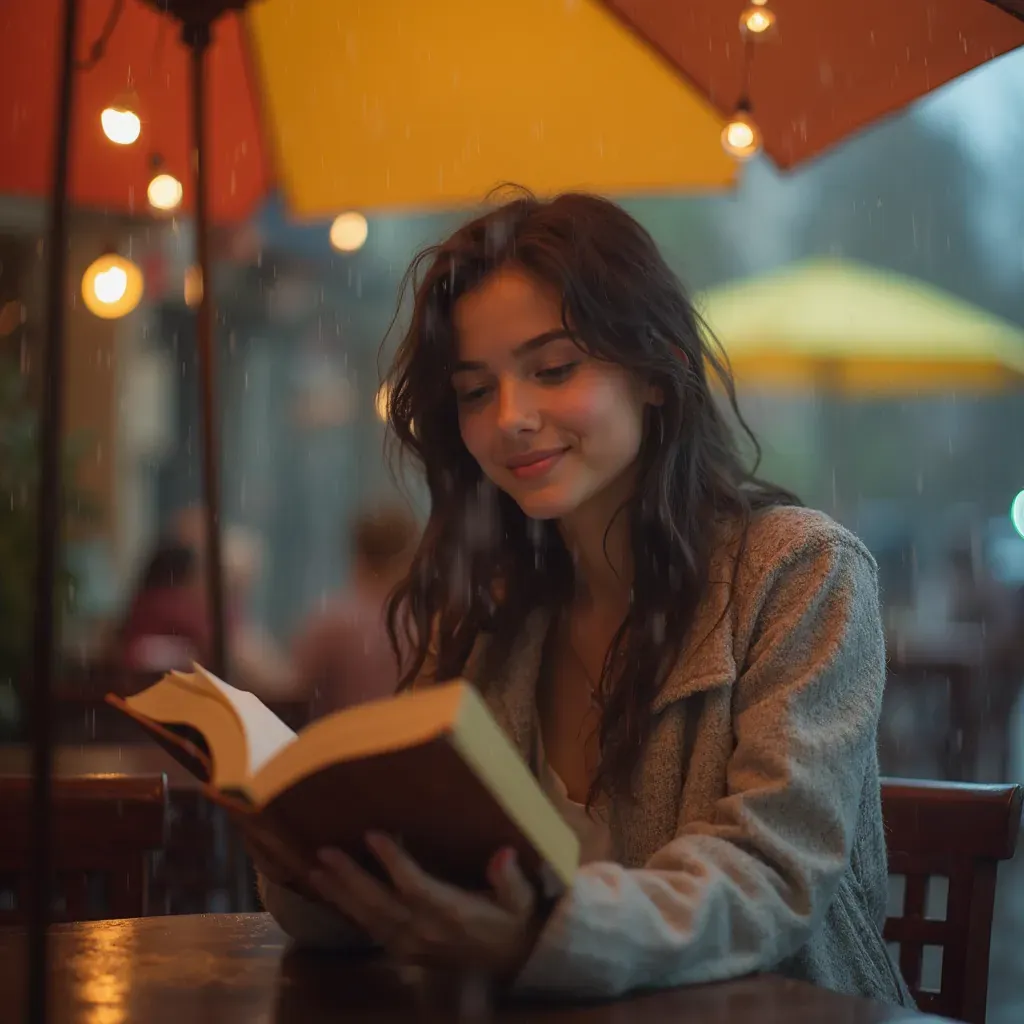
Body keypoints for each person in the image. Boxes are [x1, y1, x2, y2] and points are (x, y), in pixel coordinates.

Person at [254, 191, 913, 1006]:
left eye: (553, 369)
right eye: (472, 391)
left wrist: (547, 936)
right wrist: (307, 856)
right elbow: (417, 870)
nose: (511, 418)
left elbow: (770, 873)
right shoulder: (486, 614)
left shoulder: (801, 571)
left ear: (658, 372)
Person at [291, 505, 419, 717]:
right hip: (410, 743)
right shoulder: (421, 622)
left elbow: (294, 689)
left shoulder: (333, 620)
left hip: (344, 742)